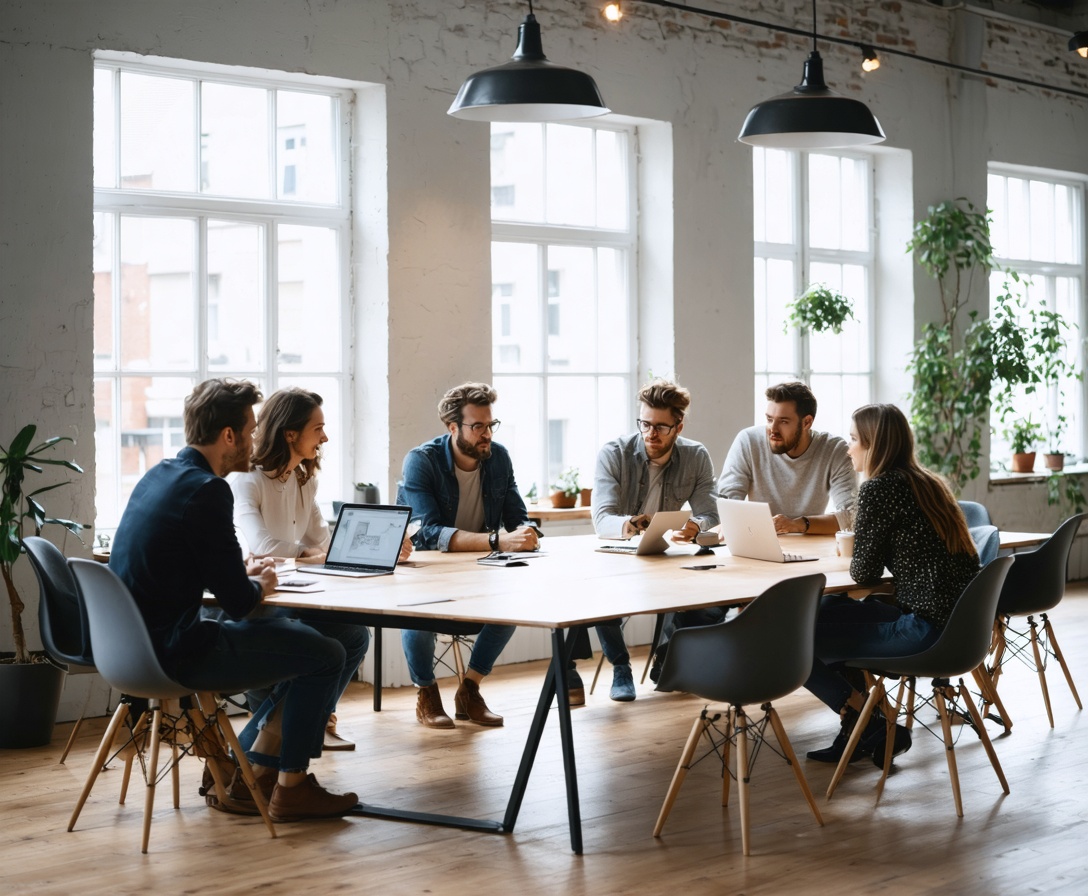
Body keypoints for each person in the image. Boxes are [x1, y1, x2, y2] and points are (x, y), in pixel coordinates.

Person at [110, 378, 358, 821]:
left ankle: (256, 762)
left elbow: (187, 562)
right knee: (328, 653)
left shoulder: (160, 474)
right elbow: (241, 603)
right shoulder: (209, 490)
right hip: (176, 651)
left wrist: (239, 572)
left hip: (126, 649)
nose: (255, 438)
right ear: (229, 435)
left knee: (336, 637)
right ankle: (292, 786)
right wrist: (259, 582)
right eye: (250, 428)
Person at [803, 403, 981, 766]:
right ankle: (861, 727)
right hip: (959, 629)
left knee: (791, 635)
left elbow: (864, 573)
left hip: (924, 631)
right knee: (829, 609)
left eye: (853, 440)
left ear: (874, 444)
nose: (847, 448)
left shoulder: (880, 489)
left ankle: (869, 722)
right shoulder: (929, 483)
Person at [231, 387, 394, 752]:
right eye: (317, 428)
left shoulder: (304, 480)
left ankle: (309, 723)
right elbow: (263, 547)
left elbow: (324, 542)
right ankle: (263, 743)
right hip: (254, 601)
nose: (325, 436)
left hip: (293, 594)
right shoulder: (248, 479)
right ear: (290, 433)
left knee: (354, 634)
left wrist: (385, 545)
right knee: (343, 639)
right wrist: (310, 552)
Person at [396, 382, 539, 729]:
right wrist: (497, 541)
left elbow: (516, 515)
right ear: (453, 428)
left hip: (480, 571)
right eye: (477, 427)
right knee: (416, 613)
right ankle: (426, 692)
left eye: (490, 425)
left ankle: (470, 688)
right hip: (428, 571)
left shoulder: (499, 457)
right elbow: (428, 532)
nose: (486, 434)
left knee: (512, 604)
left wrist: (528, 532)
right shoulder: (422, 461)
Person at [586, 379, 718, 702]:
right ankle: (620, 667)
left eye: (661, 426)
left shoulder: (696, 456)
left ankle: (666, 655)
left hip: (666, 557)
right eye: (644, 424)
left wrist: (695, 526)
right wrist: (630, 524)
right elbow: (602, 519)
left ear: (679, 426)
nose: (651, 433)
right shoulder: (614, 454)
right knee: (599, 589)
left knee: (705, 581)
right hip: (621, 556)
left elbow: (711, 514)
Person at [717, 381, 856, 535]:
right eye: (769, 419)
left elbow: (850, 516)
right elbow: (727, 504)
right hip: (759, 541)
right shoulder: (748, 441)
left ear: (807, 422)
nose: (773, 430)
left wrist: (799, 524)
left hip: (813, 547)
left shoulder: (834, 450)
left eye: (783, 421)